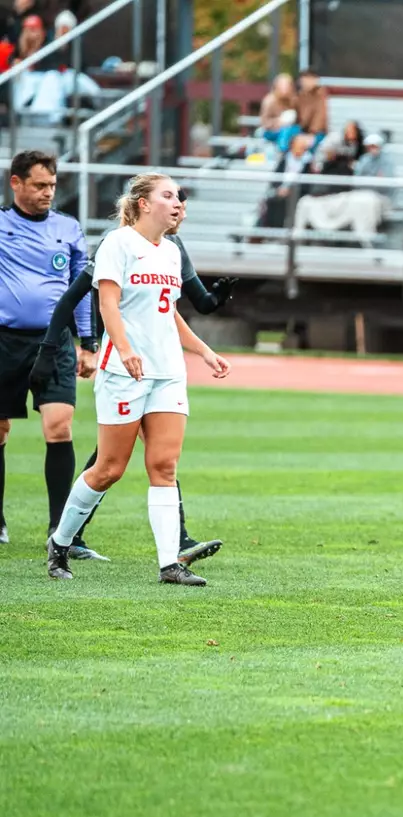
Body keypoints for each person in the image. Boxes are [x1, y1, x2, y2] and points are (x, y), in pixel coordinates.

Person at [45, 174, 233, 585]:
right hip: (123, 372)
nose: (177, 202)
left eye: (178, 196)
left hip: (168, 373)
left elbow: (169, 313)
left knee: (164, 465)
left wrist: (203, 351)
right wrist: (125, 348)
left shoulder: (171, 251)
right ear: (144, 203)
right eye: (168, 195)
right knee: (109, 468)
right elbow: (107, 303)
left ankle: (170, 565)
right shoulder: (119, 243)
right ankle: (60, 542)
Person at [0, 151, 89, 549]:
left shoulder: (68, 228)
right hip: (4, 340)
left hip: (53, 342)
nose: (48, 192)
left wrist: (89, 342)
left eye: (52, 185)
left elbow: (82, 289)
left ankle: (59, 530)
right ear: (15, 183)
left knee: (60, 425)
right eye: (39, 185)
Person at [295, 68, 328, 134]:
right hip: (302, 130)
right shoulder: (300, 95)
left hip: (317, 132)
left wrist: (312, 133)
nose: (305, 82)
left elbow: (320, 118)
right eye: (303, 80)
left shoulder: (320, 94)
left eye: (309, 79)